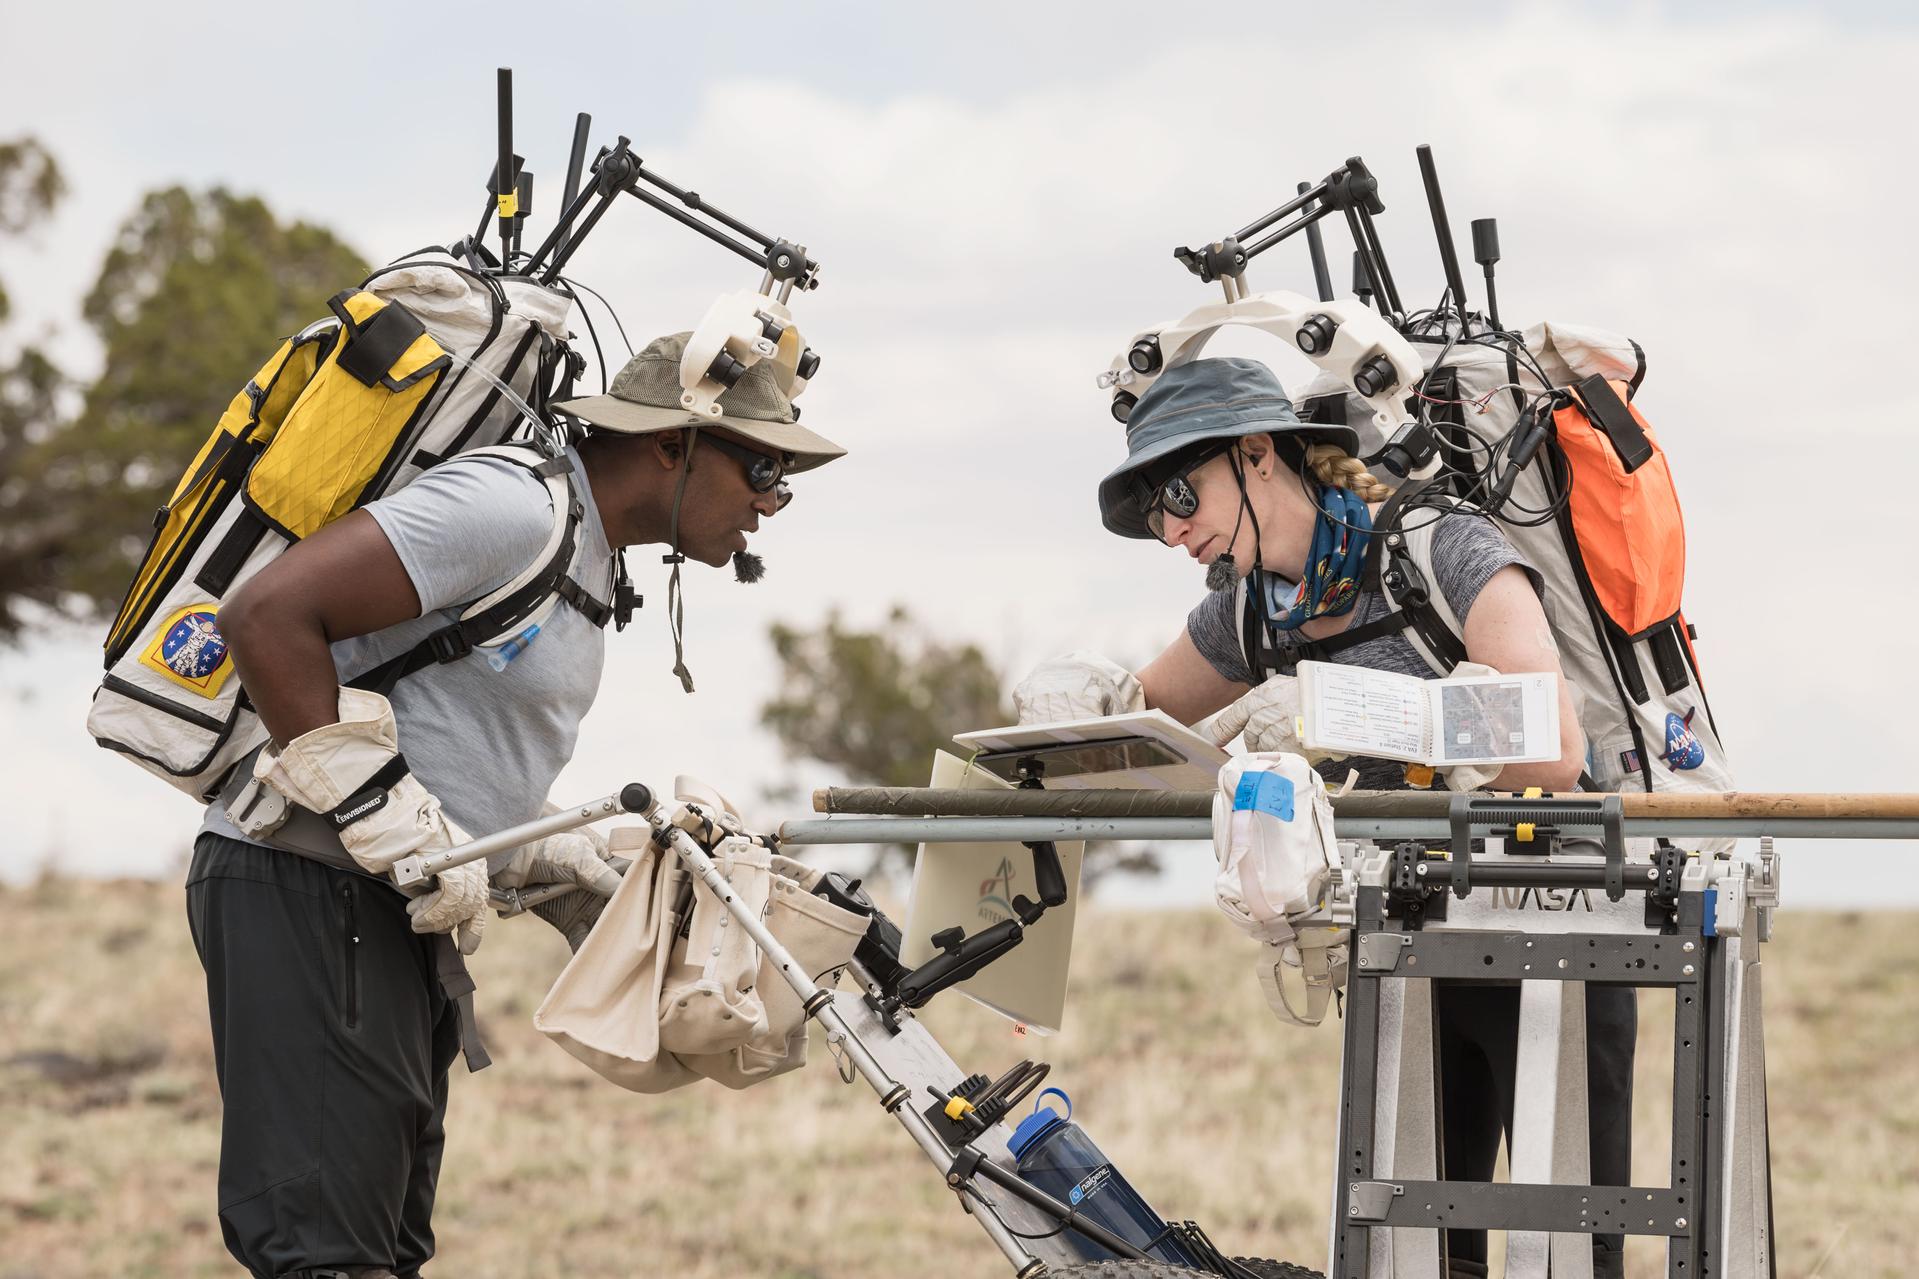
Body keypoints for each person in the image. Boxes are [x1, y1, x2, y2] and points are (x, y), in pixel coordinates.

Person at [186, 332, 844, 1279]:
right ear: (671, 442)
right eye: (764, 467)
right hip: (309, 888)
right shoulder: (512, 505)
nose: (770, 502)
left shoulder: (584, 558)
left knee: (383, 1255)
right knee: (327, 1258)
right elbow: (263, 615)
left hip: (387, 914)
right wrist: (370, 799)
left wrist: (529, 854)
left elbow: (447, 737)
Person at [1012, 356, 1631, 1279]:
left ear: (1259, 453)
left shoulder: (1438, 544)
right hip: (1404, 941)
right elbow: (1131, 732)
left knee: (1567, 1252)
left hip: (1543, 930)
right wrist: (1060, 724)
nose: (1174, 527)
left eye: (1180, 491)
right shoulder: (1247, 613)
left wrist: (1344, 710)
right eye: (1153, 516)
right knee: (1412, 1255)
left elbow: (1552, 749)